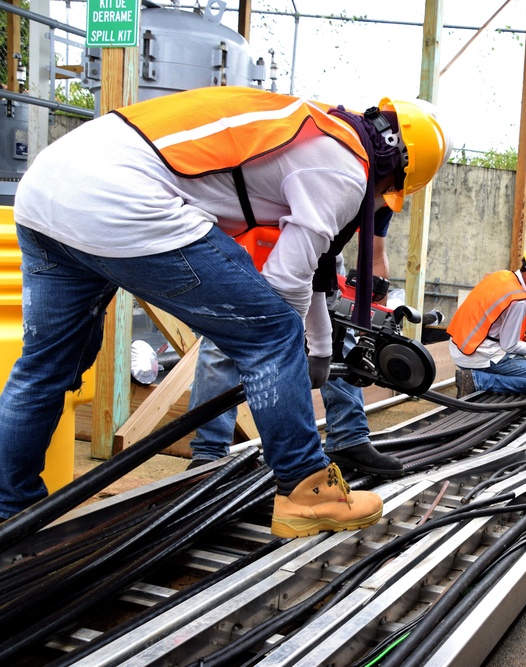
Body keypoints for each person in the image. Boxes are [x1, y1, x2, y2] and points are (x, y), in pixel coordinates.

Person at [0, 86, 450, 539]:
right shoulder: (345, 170)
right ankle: (306, 491)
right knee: (272, 331)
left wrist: (320, 347)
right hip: (124, 197)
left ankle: (11, 512)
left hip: (46, 191)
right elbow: (286, 284)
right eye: (391, 194)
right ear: (396, 171)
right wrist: (291, 352)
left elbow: (315, 268)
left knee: (43, 369)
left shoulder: (319, 128)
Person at [186, 206, 403, 476]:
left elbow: (375, 253)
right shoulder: (344, 174)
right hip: (251, 239)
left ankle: (350, 436)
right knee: (221, 345)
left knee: (340, 330)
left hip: (321, 251)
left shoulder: (386, 190)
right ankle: (209, 454)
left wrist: (369, 310)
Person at [447, 247, 526, 395]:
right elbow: (510, 346)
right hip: (476, 354)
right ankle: (476, 380)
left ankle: (478, 377)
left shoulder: (500, 276)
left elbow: (493, 309)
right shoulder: (519, 300)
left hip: (459, 345)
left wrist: (523, 318)